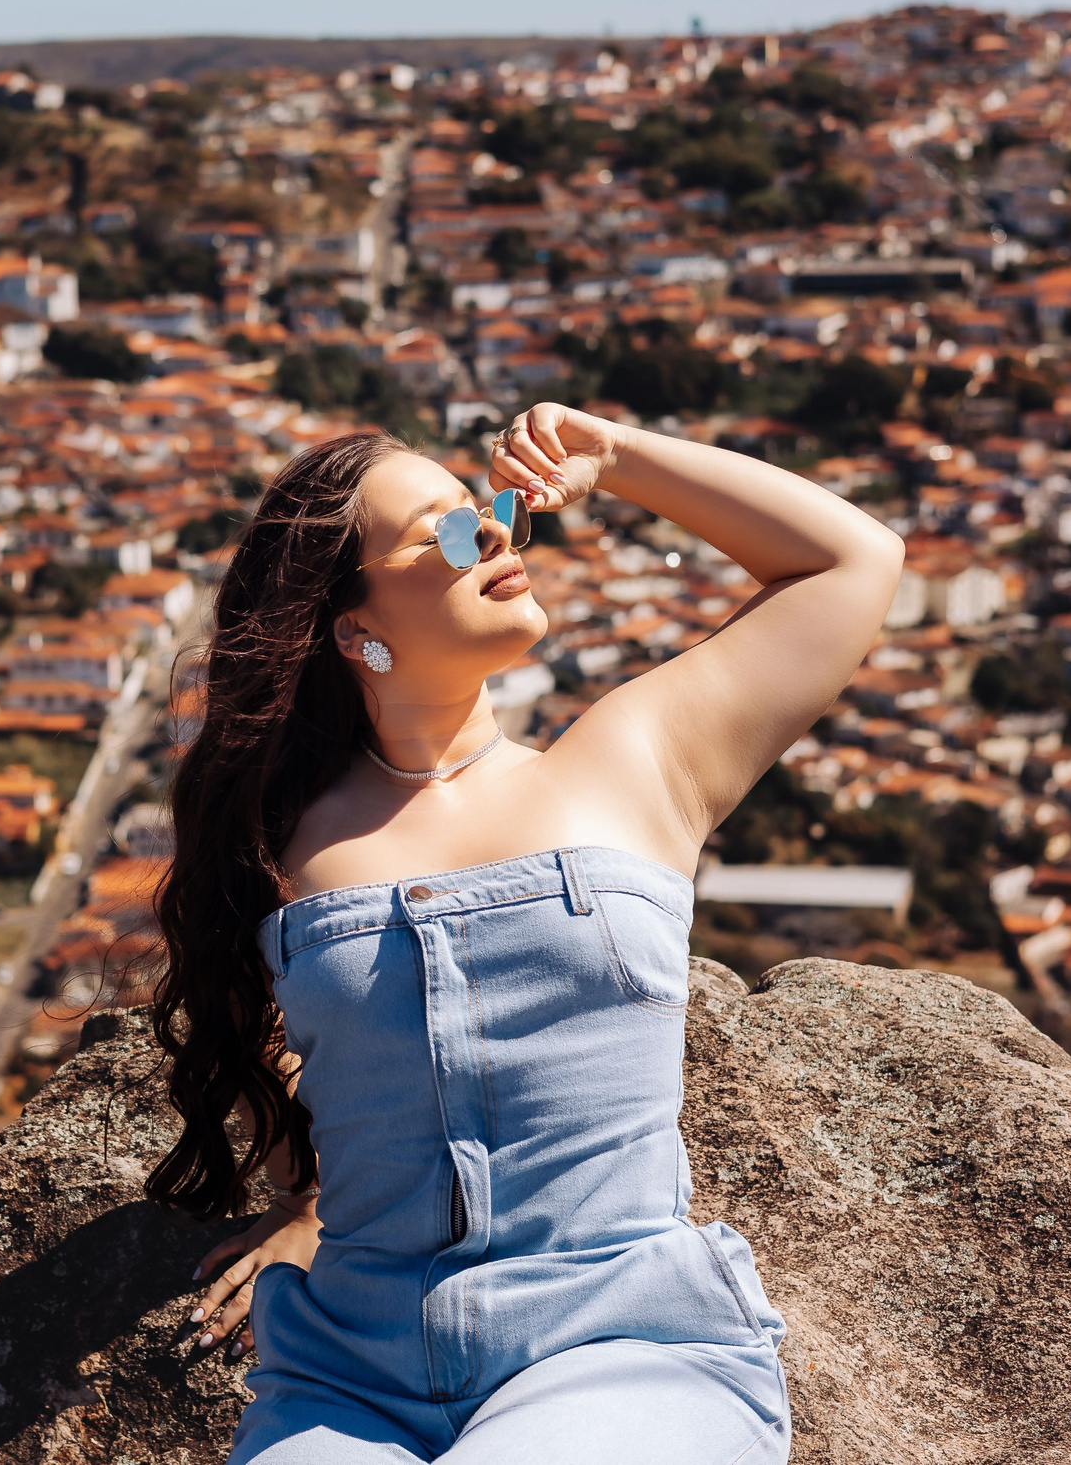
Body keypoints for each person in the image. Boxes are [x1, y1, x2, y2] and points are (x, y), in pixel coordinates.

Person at [146, 404, 905, 1464]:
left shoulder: (634, 758)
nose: (496, 534)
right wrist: (307, 1197)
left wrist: (620, 457)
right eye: (448, 533)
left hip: (621, 1345)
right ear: (351, 624)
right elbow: (261, 1020)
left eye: (491, 511)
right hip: (347, 1374)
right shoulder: (279, 839)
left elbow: (852, 561)